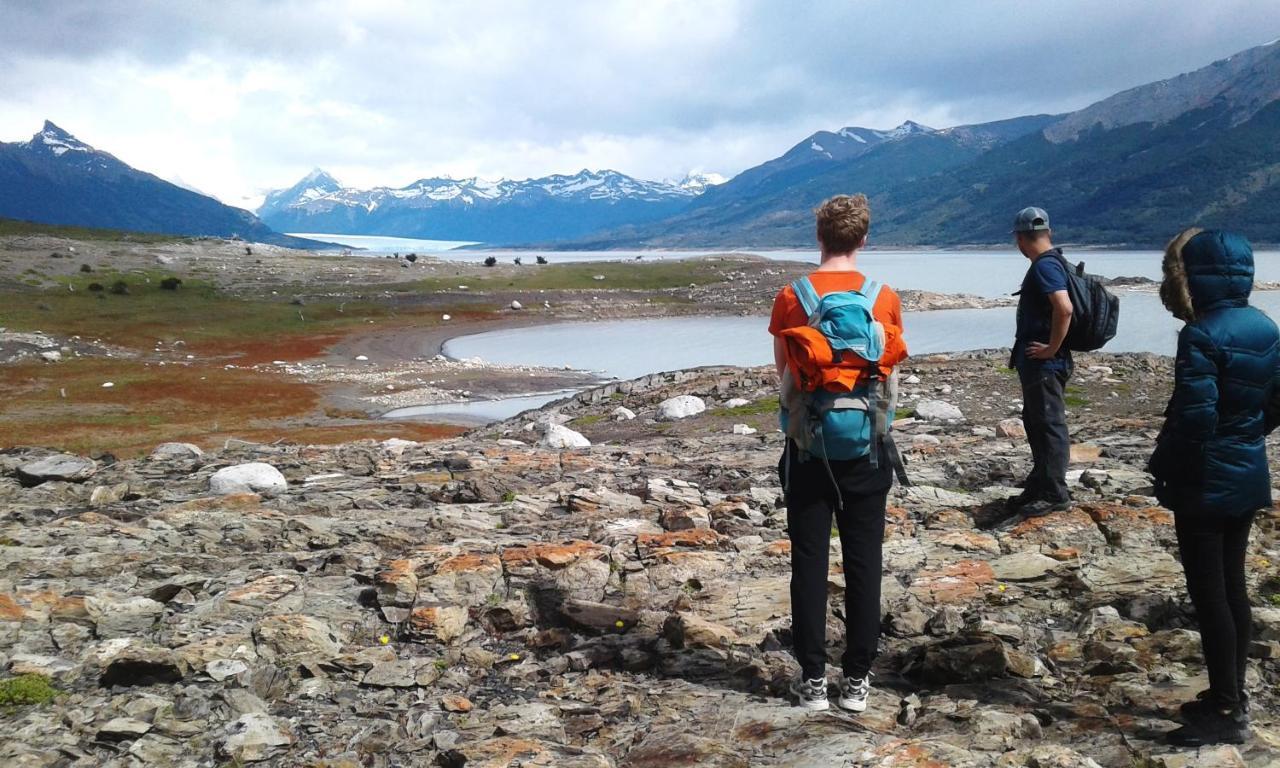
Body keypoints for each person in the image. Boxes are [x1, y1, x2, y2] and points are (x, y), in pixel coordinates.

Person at [769, 194, 907, 712]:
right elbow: (887, 371)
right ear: (864, 239)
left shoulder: (792, 296)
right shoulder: (883, 297)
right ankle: (857, 683)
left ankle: (812, 681)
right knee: (864, 561)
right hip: (868, 450)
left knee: (808, 562)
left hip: (807, 450)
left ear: (819, 236)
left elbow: (783, 372)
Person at [1149, 229, 1278, 747]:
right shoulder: (1266, 326)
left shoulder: (1201, 334)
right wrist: (1244, 436)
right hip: (1246, 472)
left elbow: (1194, 420)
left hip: (1204, 481)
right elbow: (1275, 405)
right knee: (1232, 586)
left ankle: (1227, 710)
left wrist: (1164, 468)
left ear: (1193, 276)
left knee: (1210, 595)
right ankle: (1232, 692)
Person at [1008, 207, 1075, 517]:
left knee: (1048, 424)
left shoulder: (1045, 267)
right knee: (1036, 420)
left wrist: (1051, 348)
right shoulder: (1053, 262)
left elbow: (1065, 308)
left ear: (1021, 238)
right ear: (1048, 232)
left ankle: (1054, 492)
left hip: (1046, 363)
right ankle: (1040, 482)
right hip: (1043, 362)